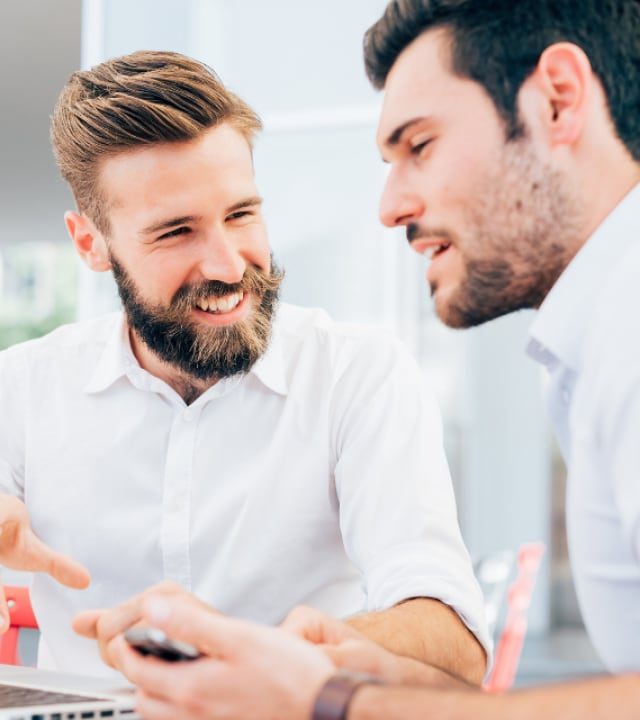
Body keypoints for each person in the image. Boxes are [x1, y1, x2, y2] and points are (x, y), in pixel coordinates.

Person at [78, 0, 640, 718]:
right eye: (174, 231)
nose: (389, 205)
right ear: (91, 243)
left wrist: (326, 697)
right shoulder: (592, 339)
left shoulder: (627, 319)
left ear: (558, 100)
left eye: (421, 145)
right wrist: (361, 678)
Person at [0, 50, 489, 680]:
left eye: (241, 214)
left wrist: (263, 656)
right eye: (176, 232)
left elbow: (454, 640)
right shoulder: (24, 387)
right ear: (91, 243)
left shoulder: (356, 376)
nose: (230, 267)